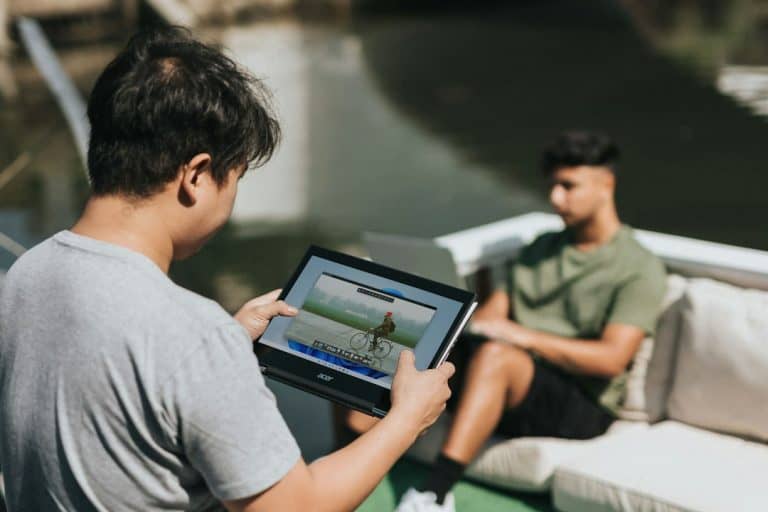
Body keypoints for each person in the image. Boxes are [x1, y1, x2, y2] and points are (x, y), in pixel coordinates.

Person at [0, 27, 455, 512]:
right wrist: (407, 418)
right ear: (196, 176)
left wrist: (229, 341)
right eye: (235, 178)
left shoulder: (27, 274)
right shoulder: (193, 335)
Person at [348, 131, 667, 512]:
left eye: (569, 186)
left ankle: (434, 495)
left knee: (498, 355)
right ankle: (346, 454)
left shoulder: (639, 266)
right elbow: (492, 318)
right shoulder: (540, 249)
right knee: (394, 340)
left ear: (606, 184)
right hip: (512, 378)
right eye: (552, 185)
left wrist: (519, 335)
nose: (555, 198)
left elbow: (611, 359)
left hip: (580, 403)